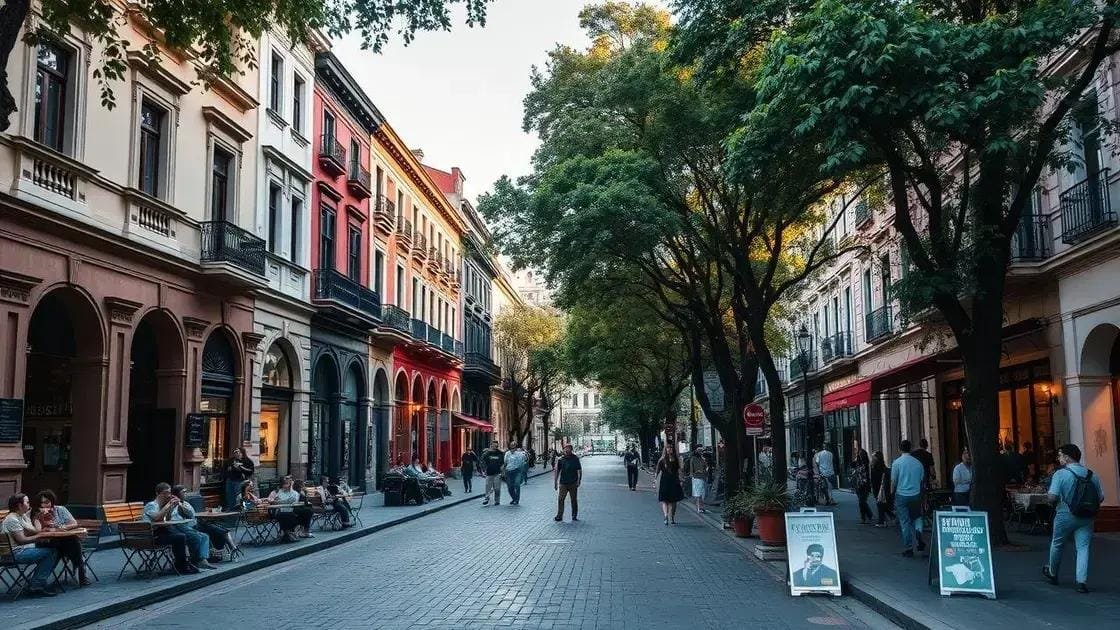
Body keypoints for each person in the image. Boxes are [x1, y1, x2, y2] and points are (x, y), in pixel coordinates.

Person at [1044, 444, 1104, 593]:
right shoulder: (1092, 474)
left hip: (1065, 514)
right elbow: (1101, 497)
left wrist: (1049, 499)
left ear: (1067, 457)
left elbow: (1052, 497)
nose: (1058, 458)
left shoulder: (1060, 474)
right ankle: (1081, 582)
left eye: (1059, 455)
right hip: (1086, 516)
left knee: (1057, 543)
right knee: (1083, 548)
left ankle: (1053, 573)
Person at [3, 493, 60, 596]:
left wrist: (38, 518)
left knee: (51, 548)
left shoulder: (21, 517)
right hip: (15, 554)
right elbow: (22, 540)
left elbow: (34, 531)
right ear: (20, 505)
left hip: (20, 550)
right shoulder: (12, 519)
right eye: (27, 502)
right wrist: (39, 538)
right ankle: (36, 585)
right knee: (51, 552)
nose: (30, 504)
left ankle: (37, 581)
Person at [33, 489, 91, 586]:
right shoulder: (37, 514)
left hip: (63, 542)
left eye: (47, 502)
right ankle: (80, 569)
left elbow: (73, 523)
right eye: (41, 503)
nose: (44, 505)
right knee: (72, 541)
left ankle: (79, 568)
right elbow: (39, 531)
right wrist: (43, 518)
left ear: (52, 501)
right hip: (46, 542)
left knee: (72, 540)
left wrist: (61, 527)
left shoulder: (61, 509)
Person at [142, 483, 199, 574]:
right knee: (180, 537)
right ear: (158, 493)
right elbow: (157, 518)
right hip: (150, 537)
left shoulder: (162, 506)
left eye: (169, 493)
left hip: (158, 532)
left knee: (180, 535)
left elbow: (166, 520)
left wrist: (174, 506)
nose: (168, 495)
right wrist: (169, 504)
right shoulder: (152, 505)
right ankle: (182, 565)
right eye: (165, 493)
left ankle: (184, 563)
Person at [158, 485, 218, 570]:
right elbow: (166, 518)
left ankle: (203, 560)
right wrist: (171, 504)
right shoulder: (166, 503)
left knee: (205, 536)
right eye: (183, 492)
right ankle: (195, 561)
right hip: (174, 525)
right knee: (196, 537)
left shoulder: (183, 503)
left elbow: (190, 515)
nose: (185, 494)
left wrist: (179, 504)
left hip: (185, 525)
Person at [171, 485, 238, 558]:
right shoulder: (174, 505)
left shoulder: (187, 503)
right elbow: (184, 517)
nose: (186, 493)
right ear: (177, 494)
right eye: (183, 492)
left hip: (197, 523)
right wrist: (179, 504)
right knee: (203, 535)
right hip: (188, 527)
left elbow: (193, 515)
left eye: (186, 491)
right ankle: (205, 556)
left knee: (220, 530)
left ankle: (230, 548)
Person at [890, 440, 926, 557]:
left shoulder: (897, 463)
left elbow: (893, 481)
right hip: (915, 494)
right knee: (917, 517)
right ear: (910, 449)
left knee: (904, 521)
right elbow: (921, 480)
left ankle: (909, 547)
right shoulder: (918, 463)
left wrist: (891, 493)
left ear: (900, 449)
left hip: (901, 494)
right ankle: (919, 531)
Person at [268, 476, 313, 541]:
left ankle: (302, 531)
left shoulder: (293, 492)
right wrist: (275, 501)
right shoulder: (278, 492)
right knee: (290, 515)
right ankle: (289, 533)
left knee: (308, 511)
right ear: (282, 485)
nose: (286, 486)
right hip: (280, 512)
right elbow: (272, 500)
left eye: (288, 484)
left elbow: (294, 499)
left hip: (290, 510)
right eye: (285, 484)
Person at [656, 445, 685, 525]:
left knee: (673, 501)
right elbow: (657, 471)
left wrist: (681, 479)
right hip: (666, 481)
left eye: (671, 448)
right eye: (668, 448)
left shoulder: (676, 459)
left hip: (673, 481)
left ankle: (670, 517)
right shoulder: (662, 460)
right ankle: (667, 516)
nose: (670, 449)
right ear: (665, 450)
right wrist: (655, 481)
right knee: (666, 500)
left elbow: (680, 469)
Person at [553, 443, 582, 522]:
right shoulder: (561, 460)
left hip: (573, 482)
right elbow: (557, 472)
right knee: (561, 499)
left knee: (573, 500)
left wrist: (579, 480)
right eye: (565, 448)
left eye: (568, 448)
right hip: (563, 483)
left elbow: (579, 470)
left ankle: (574, 515)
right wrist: (555, 482)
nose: (567, 450)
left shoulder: (575, 458)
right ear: (564, 449)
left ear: (571, 449)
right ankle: (559, 515)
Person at [869, 450, 894, 528]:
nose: (872, 459)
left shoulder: (874, 467)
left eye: (873, 457)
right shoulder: (884, 467)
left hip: (878, 488)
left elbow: (873, 480)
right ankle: (889, 517)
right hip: (883, 488)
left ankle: (882, 521)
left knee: (880, 504)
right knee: (882, 504)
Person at [850, 440, 873, 524]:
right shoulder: (860, 465)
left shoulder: (865, 465)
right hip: (860, 484)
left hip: (863, 484)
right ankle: (867, 515)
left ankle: (865, 517)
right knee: (862, 501)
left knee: (861, 501)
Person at [481, 440, 505, 506]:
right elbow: (482, 461)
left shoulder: (500, 453)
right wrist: (483, 470)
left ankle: (497, 501)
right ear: (491, 445)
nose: (495, 447)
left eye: (496, 446)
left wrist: (502, 471)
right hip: (489, 473)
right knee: (488, 487)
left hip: (497, 473)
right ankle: (486, 498)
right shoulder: (487, 453)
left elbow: (503, 463)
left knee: (497, 488)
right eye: (494, 445)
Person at [686, 446, 709, 513]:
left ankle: (701, 507)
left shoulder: (702, 458)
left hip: (703, 477)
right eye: (699, 450)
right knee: (698, 493)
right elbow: (691, 469)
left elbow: (706, 467)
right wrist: (693, 474)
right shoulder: (693, 458)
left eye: (701, 450)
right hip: (697, 477)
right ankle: (699, 507)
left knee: (702, 493)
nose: (701, 451)